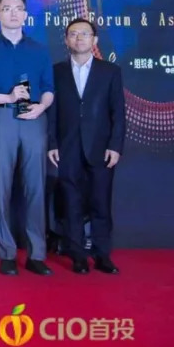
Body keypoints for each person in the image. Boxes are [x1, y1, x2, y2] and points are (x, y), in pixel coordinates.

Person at [0, 0, 54, 276]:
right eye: (6, 8)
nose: (13, 13)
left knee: (36, 186)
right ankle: (6, 252)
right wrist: (7, 98)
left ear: (25, 14)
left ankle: (37, 254)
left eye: (18, 8)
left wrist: (41, 107)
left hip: (33, 118)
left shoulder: (40, 50)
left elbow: (48, 88)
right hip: (1, 117)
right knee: (0, 184)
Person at [47, 18, 126, 275]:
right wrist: (52, 143)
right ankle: (77, 256)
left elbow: (118, 112)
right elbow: (52, 111)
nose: (79, 38)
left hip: (101, 148)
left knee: (101, 203)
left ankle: (103, 256)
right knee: (71, 204)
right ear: (66, 39)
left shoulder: (110, 71)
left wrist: (115, 145)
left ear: (95, 40)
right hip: (67, 146)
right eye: (73, 34)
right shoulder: (56, 71)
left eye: (84, 34)